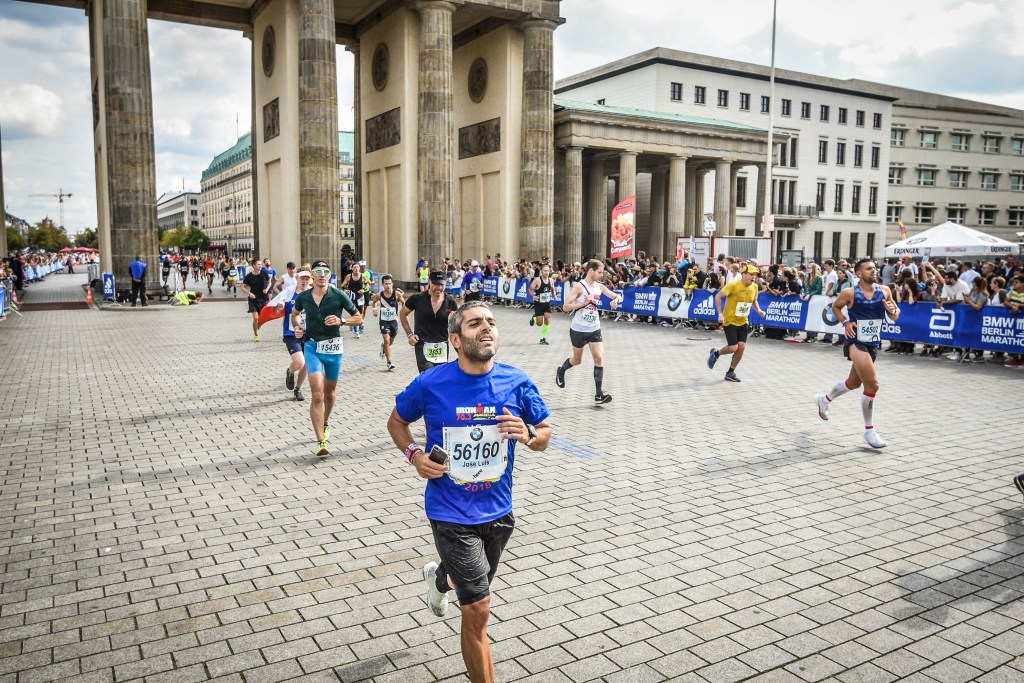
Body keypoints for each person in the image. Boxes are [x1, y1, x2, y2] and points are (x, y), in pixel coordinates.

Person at [386, 301, 552, 683]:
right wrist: (414, 455)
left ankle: (440, 579)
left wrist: (528, 436)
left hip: (499, 511)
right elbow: (397, 421)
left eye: (491, 323)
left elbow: (544, 434)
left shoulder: (517, 381)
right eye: (476, 323)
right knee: (477, 609)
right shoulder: (431, 383)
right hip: (450, 512)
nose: (487, 328)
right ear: (456, 339)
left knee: (468, 588)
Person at [815, 258, 900, 449]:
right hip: (855, 341)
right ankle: (869, 431)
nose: (874, 271)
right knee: (873, 385)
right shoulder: (849, 293)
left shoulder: (885, 291)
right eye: (869, 269)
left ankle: (825, 399)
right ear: (859, 274)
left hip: (873, 343)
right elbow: (836, 307)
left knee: (853, 383)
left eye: (875, 268)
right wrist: (845, 322)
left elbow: (895, 314)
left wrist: (893, 311)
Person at [292, 260, 363, 456]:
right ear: (312, 276)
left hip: (334, 349)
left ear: (330, 275)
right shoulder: (304, 297)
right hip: (312, 345)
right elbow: (295, 314)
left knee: (330, 394)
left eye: (326, 271)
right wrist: (298, 326)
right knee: (317, 394)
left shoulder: (338, 295)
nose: (322, 274)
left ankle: (325, 420)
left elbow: (359, 318)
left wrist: (342, 321)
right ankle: (321, 442)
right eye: (318, 271)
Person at [555, 259, 622, 404]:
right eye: (599, 272)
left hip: (594, 328)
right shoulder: (579, 286)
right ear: (591, 270)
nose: (601, 275)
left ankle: (598, 395)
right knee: (577, 360)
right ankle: (561, 370)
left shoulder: (599, 287)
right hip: (578, 329)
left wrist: (617, 300)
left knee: (598, 358)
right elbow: (566, 307)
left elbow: (617, 295)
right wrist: (583, 303)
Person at [707, 263, 766, 382]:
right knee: (733, 347)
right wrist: (720, 313)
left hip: (743, 320)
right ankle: (717, 353)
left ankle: (730, 372)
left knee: (742, 347)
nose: (753, 277)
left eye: (755, 275)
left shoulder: (754, 287)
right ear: (743, 274)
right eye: (751, 274)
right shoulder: (733, 285)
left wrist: (758, 310)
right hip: (730, 320)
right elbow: (718, 297)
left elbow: (753, 300)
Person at [401, 270, 459, 373]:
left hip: (442, 347)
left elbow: (456, 324)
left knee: (440, 379)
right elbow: (403, 313)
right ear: (429, 282)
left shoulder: (451, 302)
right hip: (423, 345)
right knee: (427, 377)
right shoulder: (417, 299)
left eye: (441, 284)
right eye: (435, 284)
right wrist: (410, 335)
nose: (438, 288)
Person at [269, 268, 312, 400]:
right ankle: (290, 370)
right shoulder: (289, 291)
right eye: (302, 278)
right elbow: (278, 306)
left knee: (306, 364)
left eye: (307, 279)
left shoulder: (313, 292)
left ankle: (297, 389)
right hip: (291, 332)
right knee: (299, 362)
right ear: (297, 278)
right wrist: (280, 306)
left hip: (309, 333)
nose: (304, 281)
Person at [371, 274, 405, 371]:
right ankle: (389, 362)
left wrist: (403, 311)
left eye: (389, 284)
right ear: (382, 284)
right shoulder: (379, 295)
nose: (388, 286)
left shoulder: (397, 294)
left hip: (394, 321)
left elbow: (403, 302)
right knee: (386, 340)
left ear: (392, 284)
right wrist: (374, 310)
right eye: (386, 284)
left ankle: (384, 347)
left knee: (390, 342)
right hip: (384, 321)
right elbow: (374, 302)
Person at [241, 258, 272, 342]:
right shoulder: (249, 276)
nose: (260, 266)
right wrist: (249, 293)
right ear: (254, 265)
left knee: (260, 319)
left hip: (263, 299)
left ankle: (258, 324)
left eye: (261, 264)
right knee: (255, 318)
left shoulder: (264, 273)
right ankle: (256, 334)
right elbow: (242, 287)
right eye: (258, 264)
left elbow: (270, 282)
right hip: (253, 300)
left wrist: (267, 289)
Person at [528, 263, 556, 345]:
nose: (546, 272)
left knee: (547, 319)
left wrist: (554, 295)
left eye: (548, 271)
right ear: (541, 271)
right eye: (545, 271)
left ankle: (543, 338)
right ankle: (534, 318)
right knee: (539, 324)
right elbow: (530, 289)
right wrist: (534, 296)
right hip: (539, 304)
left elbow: (553, 289)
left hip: (547, 303)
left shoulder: (551, 280)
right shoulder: (537, 280)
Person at [341, 262, 370, 339]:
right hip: (352, 296)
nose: (356, 269)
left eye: (357, 267)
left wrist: (364, 289)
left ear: (359, 268)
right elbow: (342, 285)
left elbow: (367, 284)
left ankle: (359, 324)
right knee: (354, 313)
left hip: (360, 297)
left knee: (360, 313)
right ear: (352, 268)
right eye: (355, 267)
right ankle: (356, 332)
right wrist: (345, 290)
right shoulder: (349, 276)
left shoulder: (362, 276)